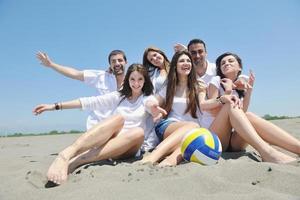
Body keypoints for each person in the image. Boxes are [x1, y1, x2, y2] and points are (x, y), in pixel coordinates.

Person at [33, 63, 167, 185]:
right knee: (118, 118)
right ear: (128, 80)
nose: (136, 83)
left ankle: (77, 161)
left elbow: (151, 105)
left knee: (138, 132)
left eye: (140, 79)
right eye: (132, 79)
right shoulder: (119, 96)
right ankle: (66, 154)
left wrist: (155, 111)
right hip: (109, 142)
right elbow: (89, 102)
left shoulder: (147, 98)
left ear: (145, 81)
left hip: (129, 147)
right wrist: (54, 106)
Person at [199, 52, 299, 163]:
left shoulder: (241, 85)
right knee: (231, 104)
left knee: (248, 115)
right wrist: (227, 92)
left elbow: (241, 114)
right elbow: (214, 112)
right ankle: (267, 152)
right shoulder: (216, 81)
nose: (226, 63)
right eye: (223, 63)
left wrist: (249, 91)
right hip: (215, 139)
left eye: (230, 61)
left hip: (233, 143)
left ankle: (298, 148)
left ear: (239, 67)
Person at [36, 50, 127, 130]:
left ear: (126, 62)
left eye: (120, 60)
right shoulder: (101, 76)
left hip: (120, 128)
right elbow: (75, 74)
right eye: (113, 61)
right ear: (110, 65)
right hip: (97, 125)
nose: (117, 63)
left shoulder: (133, 82)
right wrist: (51, 64)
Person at [141, 50, 202, 166]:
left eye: (188, 61)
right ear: (175, 66)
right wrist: (152, 106)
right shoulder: (169, 87)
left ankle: (168, 163)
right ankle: (152, 157)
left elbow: (206, 104)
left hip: (191, 132)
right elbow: (152, 100)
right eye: (181, 61)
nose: (186, 63)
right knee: (193, 127)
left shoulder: (198, 87)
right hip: (168, 126)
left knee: (194, 137)